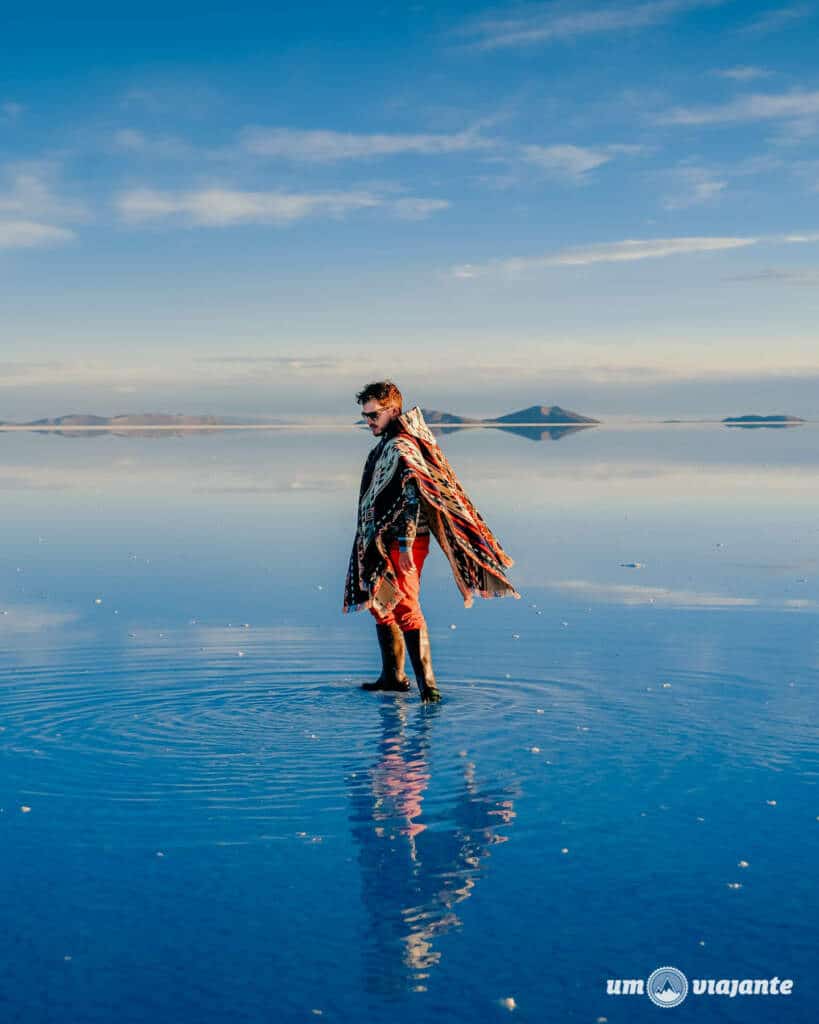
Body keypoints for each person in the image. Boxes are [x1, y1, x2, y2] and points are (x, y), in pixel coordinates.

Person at [343, 380, 521, 703]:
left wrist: (408, 545)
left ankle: (428, 688)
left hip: (403, 542)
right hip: (383, 541)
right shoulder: (388, 444)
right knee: (380, 605)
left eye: (373, 415)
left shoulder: (401, 447)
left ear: (393, 410)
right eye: (365, 416)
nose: (368, 421)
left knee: (406, 606)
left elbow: (412, 498)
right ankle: (393, 677)